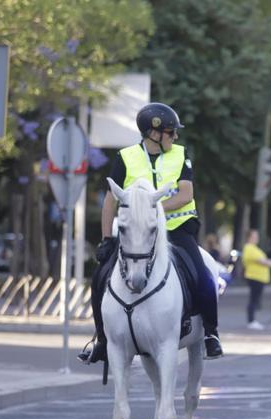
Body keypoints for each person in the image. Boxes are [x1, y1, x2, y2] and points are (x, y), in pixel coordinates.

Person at [78, 102, 224, 364]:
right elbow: (110, 200)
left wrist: (149, 208)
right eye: (171, 132)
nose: (175, 136)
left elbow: (185, 195)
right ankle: (101, 339)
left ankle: (211, 333)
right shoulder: (126, 157)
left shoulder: (180, 154)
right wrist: (106, 239)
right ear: (153, 133)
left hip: (177, 230)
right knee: (100, 276)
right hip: (136, 233)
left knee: (202, 276)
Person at [242, 229, 271, 330]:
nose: (257, 238)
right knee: (253, 299)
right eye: (254, 236)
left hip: (259, 278)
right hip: (254, 277)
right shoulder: (249, 247)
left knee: (255, 299)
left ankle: (252, 320)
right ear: (249, 237)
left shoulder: (254, 248)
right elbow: (260, 260)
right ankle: (251, 321)